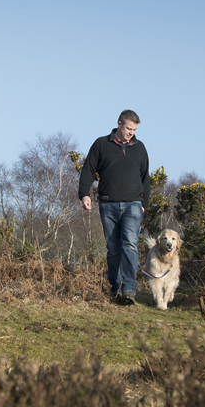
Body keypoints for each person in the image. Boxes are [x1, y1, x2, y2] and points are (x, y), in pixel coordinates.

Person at [78, 110, 150, 305]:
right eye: (128, 128)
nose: (131, 133)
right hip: (108, 203)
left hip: (133, 204)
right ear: (119, 124)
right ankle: (115, 287)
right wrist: (84, 193)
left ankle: (129, 289)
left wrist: (144, 204)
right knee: (113, 248)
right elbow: (88, 170)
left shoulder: (140, 148)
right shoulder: (101, 144)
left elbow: (145, 178)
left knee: (129, 243)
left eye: (134, 130)